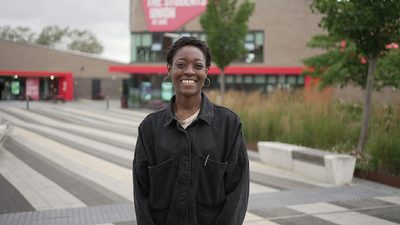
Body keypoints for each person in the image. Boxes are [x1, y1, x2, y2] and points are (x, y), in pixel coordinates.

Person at [133, 36, 249, 225]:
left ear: (206, 71)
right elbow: (141, 194)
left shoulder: (229, 125)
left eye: (197, 65)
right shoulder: (149, 128)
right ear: (169, 69)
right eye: (180, 64)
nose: (189, 71)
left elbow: (237, 196)